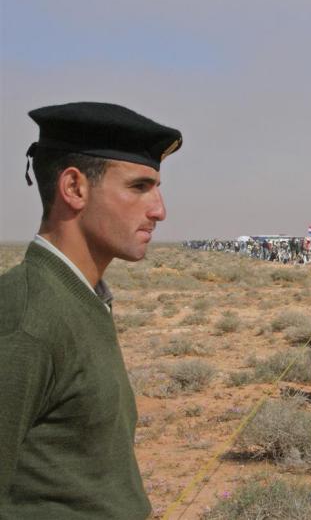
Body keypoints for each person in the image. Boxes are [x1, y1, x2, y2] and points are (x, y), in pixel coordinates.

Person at [0, 102, 183, 519]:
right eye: (139, 187)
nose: (159, 210)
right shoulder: (26, 318)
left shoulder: (80, 298)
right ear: (74, 188)